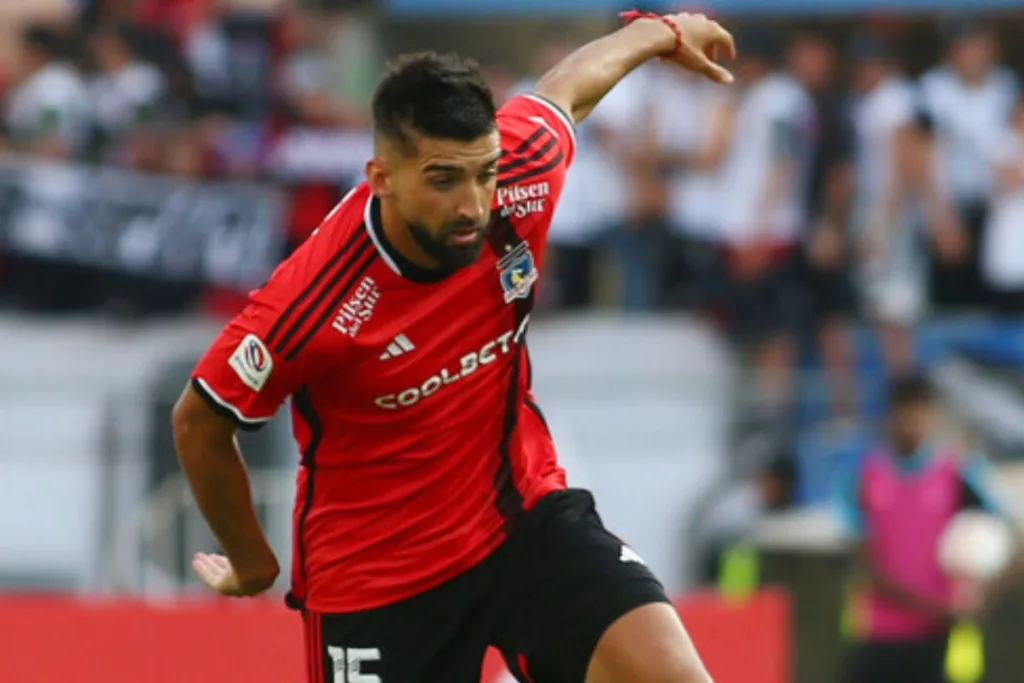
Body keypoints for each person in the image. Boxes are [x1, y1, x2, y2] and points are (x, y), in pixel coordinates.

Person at [171, 11, 735, 683]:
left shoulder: (520, 175)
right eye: (443, 180)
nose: (472, 203)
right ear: (381, 177)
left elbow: (568, 91)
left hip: (521, 520)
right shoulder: (315, 299)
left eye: (483, 172)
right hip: (379, 579)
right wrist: (255, 559)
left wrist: (662, 34)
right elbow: (199, 418)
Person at [833, 374, 1016, 683]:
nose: (912, 423)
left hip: (941, 642)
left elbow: (1015, 540)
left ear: (931, 415)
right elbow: (864, 565)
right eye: (904, 413)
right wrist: (934, 607)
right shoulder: (863, 477)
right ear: (890, 415)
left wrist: (982, 596)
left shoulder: (957, 472)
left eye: (920, 412)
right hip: (879, 636)